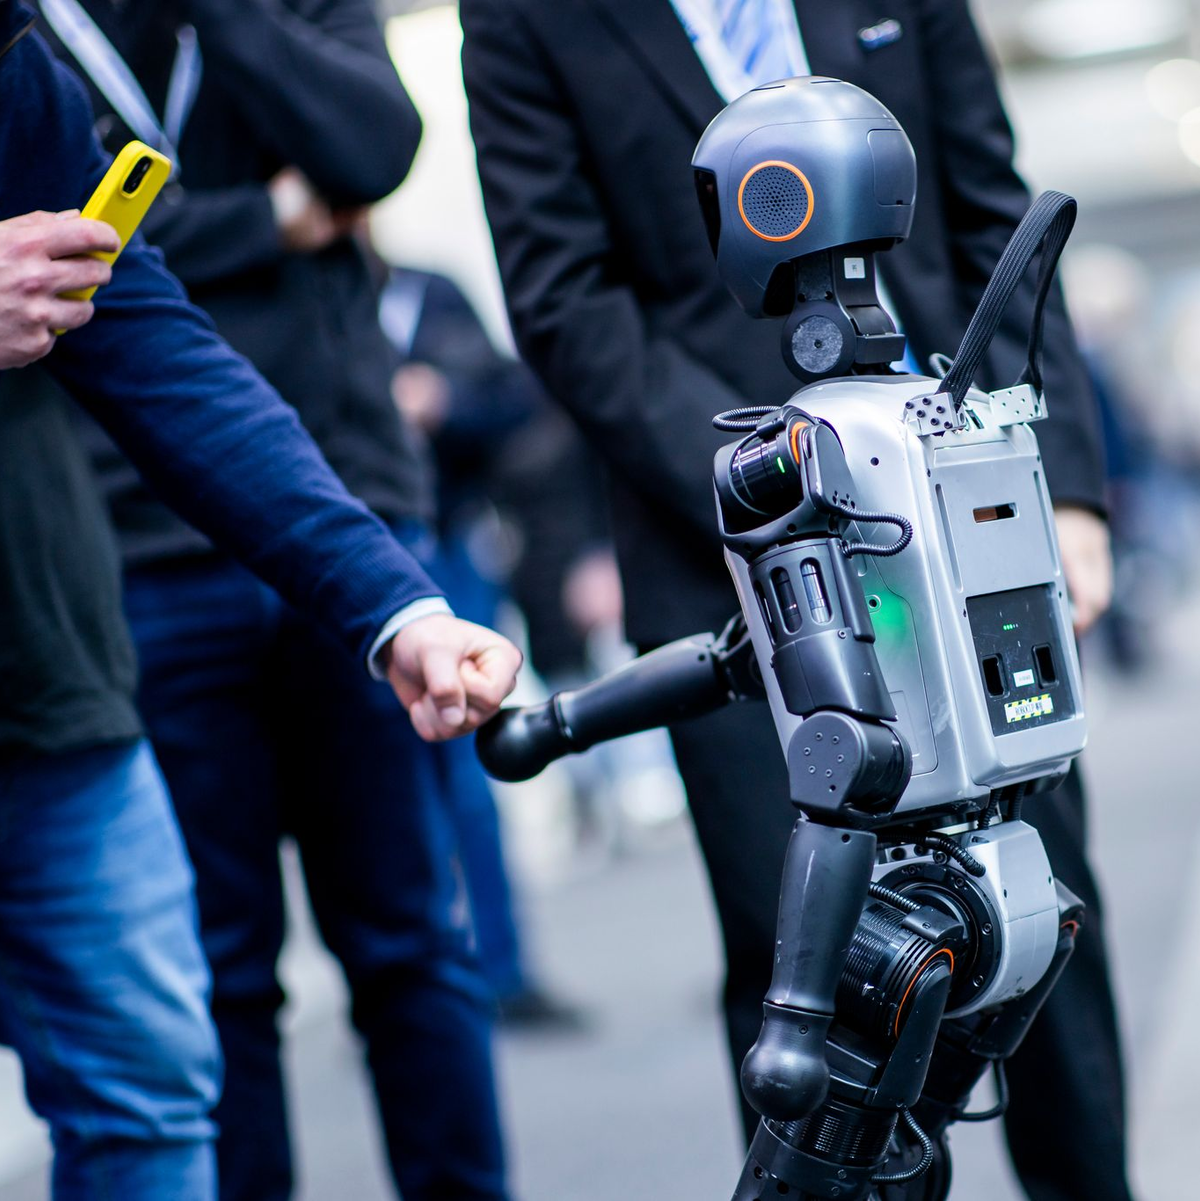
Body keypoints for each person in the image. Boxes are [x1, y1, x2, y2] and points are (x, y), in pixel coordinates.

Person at [459, 1, 1131, 1198]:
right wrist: (785, 482)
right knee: (806, 989)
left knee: (1042, 931)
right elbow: (564, 297)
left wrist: (1061, 485)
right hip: (729, 556)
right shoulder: (524, 18)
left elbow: (993, 211)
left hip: (962, 532)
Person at [0, 4, 520, 1198]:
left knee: (161, 1084)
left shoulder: (19, 52)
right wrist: (269, 220)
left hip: (73, 652)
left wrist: (398, 607)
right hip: (132, 565)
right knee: (221, 989)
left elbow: (136, 309)